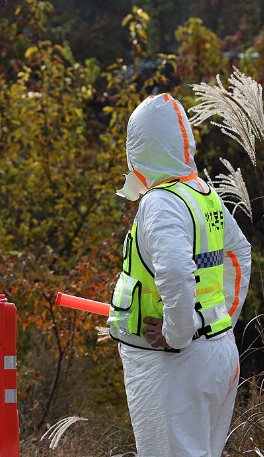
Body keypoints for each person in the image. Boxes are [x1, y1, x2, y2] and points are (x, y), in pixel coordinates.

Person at [107, 93, 252, 457]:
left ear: (138, 147)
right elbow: (239, 253)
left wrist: (177, 334)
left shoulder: (160, 202)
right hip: (216, 354)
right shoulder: (203, 195)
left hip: (175, 365)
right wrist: (217, 322)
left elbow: (175, 273)